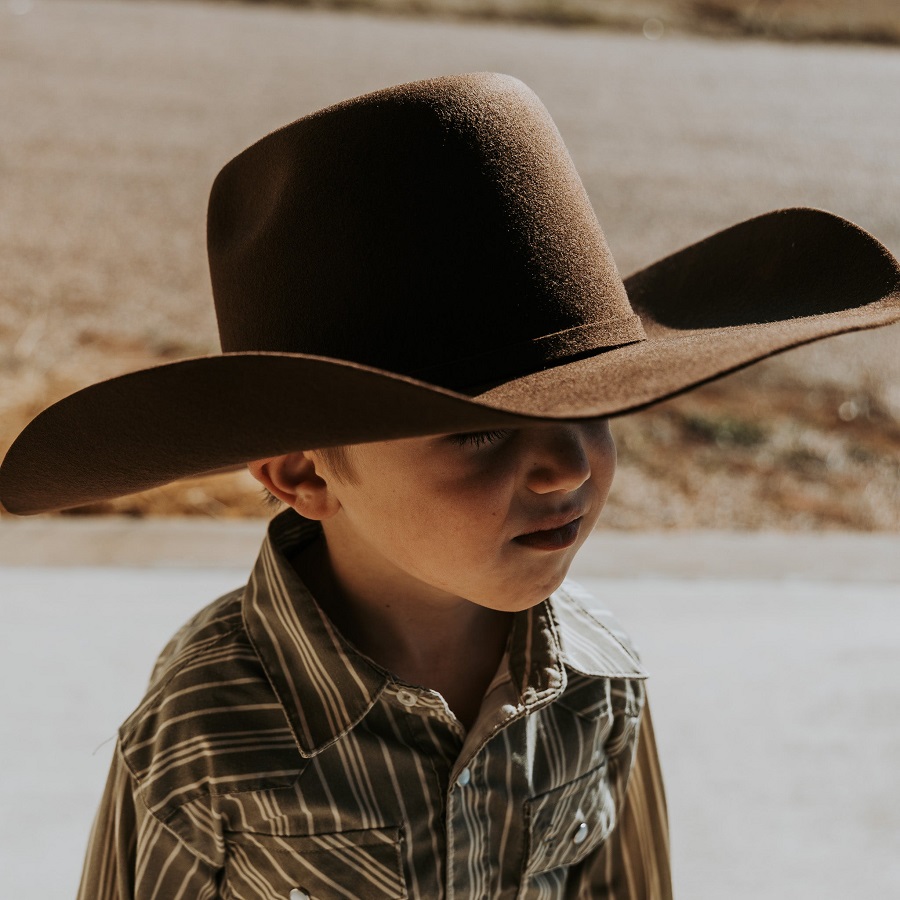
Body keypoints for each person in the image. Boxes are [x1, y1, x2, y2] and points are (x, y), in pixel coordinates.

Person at [1, 73, 898, 899]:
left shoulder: (602, 679)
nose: (569, 467)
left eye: (594, 410)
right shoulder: (207, 730)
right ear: (304, 472)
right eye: (479, 432)